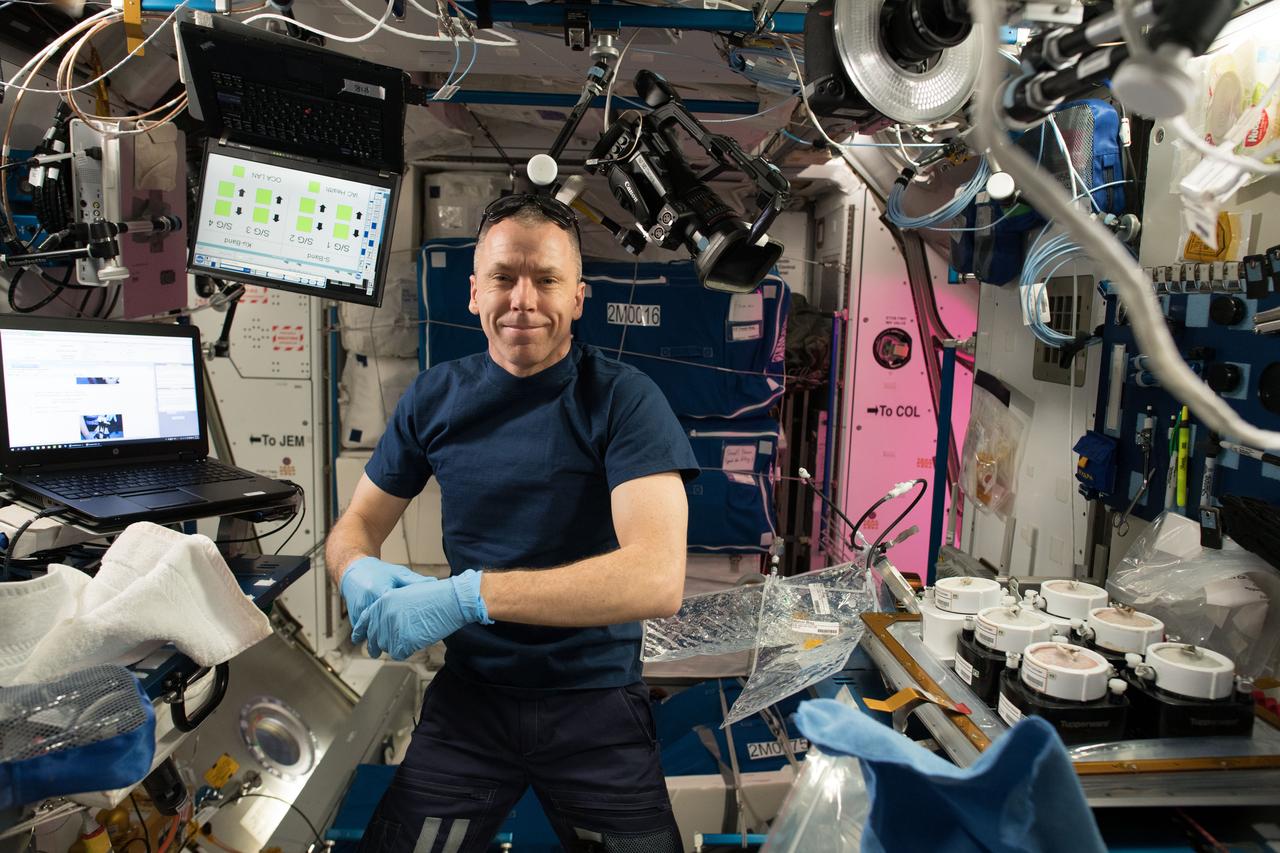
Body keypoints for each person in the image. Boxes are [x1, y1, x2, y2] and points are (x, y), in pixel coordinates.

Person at [325, 193, 699, 853]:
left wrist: (468, 594)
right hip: (472, 700)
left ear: (578, 297)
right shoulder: (434, 397)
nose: (522, 298)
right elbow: (356, 521)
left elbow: (656, 576)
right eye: (504, 277)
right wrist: (353, 568)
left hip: (596, 701)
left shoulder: (623, 400)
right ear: (474, 293)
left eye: (545, 279)